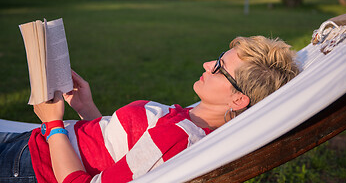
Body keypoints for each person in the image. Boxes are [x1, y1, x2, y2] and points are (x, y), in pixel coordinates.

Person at [0, 36, 299, 183]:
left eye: (220, 68)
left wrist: (53, 124)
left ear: (238, 100)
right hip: (37, 146)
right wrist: (88, 110)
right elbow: (120, 159)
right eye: (218, 58)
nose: (208, 65)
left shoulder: (178, 138)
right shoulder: (192, 119)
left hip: (33, 164)